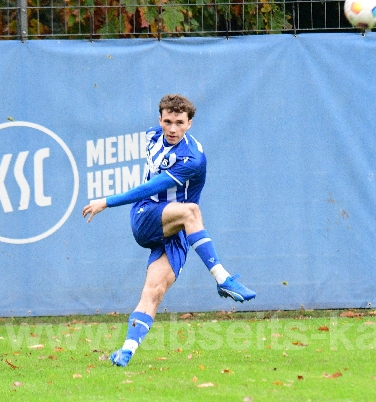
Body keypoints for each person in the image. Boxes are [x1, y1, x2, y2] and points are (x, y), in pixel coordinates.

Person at [82, 94, 256, 367]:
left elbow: (155, 184)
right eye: (167, 121)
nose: (172, 128)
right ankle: (223, 278)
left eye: (179, 123)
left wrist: (106, 201)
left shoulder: (192, 158)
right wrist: (107, 201)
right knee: (191, 211)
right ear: (160, 120)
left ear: (190, 123)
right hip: (146, 215)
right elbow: (150, 189)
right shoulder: (153, 136)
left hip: (175, 232)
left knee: (154, 292)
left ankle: (126, 351)